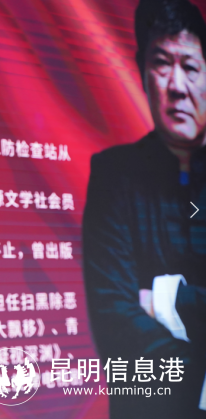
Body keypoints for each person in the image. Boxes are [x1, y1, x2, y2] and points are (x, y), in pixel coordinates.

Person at [83, 0, 206, 417]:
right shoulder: (114, 175)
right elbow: (115, 321)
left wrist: (166, 299)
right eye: (162, 64)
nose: (177, 85)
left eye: (190, 66)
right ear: (141, 70)